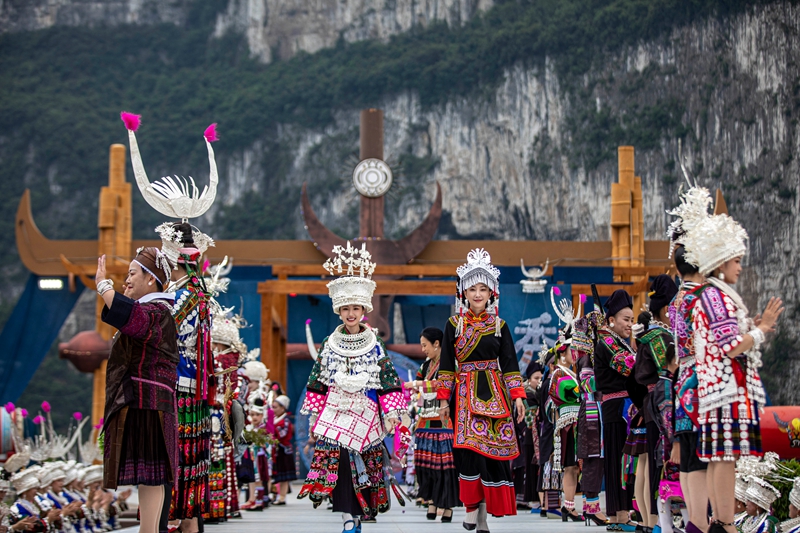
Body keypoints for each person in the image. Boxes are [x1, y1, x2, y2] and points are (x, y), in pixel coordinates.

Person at [679, 192, 784, 533]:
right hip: (724, 390)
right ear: (722, 263)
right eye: (736, 261)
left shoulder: (711, 295)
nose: (740, 267)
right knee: (723, 456)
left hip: (718, 388)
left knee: (718, 457)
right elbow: (730, 346)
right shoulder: (715, 295)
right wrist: (763, 329)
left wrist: (753, 328)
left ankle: (719, 521)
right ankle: (725, 522)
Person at [298, 242, 406, 533]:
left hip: (365, 408)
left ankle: (357, 514)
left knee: (363, 465)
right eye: (345, 308)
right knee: (340, 462)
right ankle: (346, 514)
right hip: (335, 410)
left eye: (355, 308)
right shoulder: (329, 344)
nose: (350, 313)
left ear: (363, 310)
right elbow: (317, 381)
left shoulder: (375, 343)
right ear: (338, 310)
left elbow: (388, 379)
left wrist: (392, 411)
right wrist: (313, 416)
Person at [436, 248, 526, 531]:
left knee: (492, 455)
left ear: (492, 293)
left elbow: (510, 363)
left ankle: (484, 516)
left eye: (483, 289)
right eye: (472, 288)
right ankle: (472, 507)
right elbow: (447, 364)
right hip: (463, 394)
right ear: (463, 292)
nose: (477, 294)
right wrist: (442, 401)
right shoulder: (454, 325)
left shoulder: (500, 326)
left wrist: (519, 397)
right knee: (468, 451)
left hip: (495, 393)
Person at [95, 247, 178, 533]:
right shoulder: (157, 310)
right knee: (151, 476)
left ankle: (149, 530)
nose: (126, 281)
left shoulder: (157, 312)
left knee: (152, 475)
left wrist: (103, 286)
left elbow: (133, 318)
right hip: (148, 402)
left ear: (151, 279)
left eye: (132, 274)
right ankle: (150, 530)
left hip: (148, 403)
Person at [668, 242, 709, 533]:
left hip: (682, 381)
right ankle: (701, 521)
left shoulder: (676, 300)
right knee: (702, 459)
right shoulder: (700, 298)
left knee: (687, 458)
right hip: (701, 381)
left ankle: (696, 521)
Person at [635, 274, 679, 533]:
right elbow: (670, 370)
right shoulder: (659, 337)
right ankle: (654, 519)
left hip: (651, 402)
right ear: (666, 309)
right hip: (661, 402)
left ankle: (651, 519)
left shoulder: (651, 335)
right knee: (655, 463)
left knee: (649, 463)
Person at [404, 327, 458, 522]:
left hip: (445, 420)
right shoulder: (425, 366)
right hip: (426, 420)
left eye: (425, 345)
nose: (423, 349)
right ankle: (433, 501)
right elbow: (419, 383)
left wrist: (418, 385)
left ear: (436, 344)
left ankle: (447, 505)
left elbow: (445, 383)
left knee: (445, 465)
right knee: (428, 464)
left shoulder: (451, 363)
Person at [593, 289, 637, 531]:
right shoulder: (607, 341)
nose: (630, 325)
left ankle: (623, 514)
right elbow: (628, 366)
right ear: (611, 320)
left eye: (632, 320)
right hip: (616, 408)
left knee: (624, 460)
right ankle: (619, 515)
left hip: (625, 407)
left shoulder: (619, 342)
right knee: (618, 460)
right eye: (626, 320)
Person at [546, 288, 583, 522]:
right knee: (570, 466)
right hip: (568, 426)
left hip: (576, 424)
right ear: (563, 353)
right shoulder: (559, 374)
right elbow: (564, 393)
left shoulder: (570, 372)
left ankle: (569, 505)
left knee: (574, 467)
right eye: (573, 350)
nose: (576, 354)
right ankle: (568, 506)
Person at [573, 303, 607, 527]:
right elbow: (587, 384)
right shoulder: (588, 359)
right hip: (593, 412)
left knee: (595, 460)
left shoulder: (590, 357)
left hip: (594, 411)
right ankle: (592, 508)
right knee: (594, 460)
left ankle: (590, 506)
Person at [521, 362, 543, 511]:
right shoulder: (527, 394)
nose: (539, 381)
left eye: (541, 378)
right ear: (529, 379)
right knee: (530, 466)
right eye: (536, 378)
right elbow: (530, 419)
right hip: (529, 436)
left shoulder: (536, 393)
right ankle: (533, 498)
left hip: (536, 435)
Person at [271, 395, 296, 505]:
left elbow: (282, 434)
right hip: (276, 450)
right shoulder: (275, 419)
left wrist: (271, 432)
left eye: (275, 407)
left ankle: (282, 496)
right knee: (278, 474)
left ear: (283, 408)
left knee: (284, 476)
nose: (273, 410)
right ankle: (277, 495)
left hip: (284, 450)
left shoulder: (285, 420)